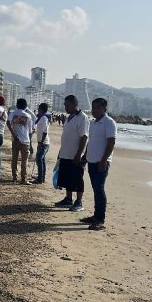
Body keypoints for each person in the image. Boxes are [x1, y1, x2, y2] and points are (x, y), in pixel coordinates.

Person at [79, 98, 117, 230]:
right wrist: (85, 156)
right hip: (91, 161)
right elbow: (91, 142)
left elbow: (111, 142)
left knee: (99, 189)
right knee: (96, 189)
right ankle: (96, 216)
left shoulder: (109, 123)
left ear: (104, 109)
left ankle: (100, 219)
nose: (94, 110)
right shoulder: (94, 123)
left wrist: (103, 160)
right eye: (93, 107)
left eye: (97, 108)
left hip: (102, 162)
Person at [54, 95, 89, 212]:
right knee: (67, 178)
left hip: (75, 156)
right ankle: (68, 199)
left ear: (74, 105)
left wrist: (79, 155)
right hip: (65, 154)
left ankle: (78, 202)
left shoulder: (82, 117)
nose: (65, 107)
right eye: (65, 105)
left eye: (67, 105)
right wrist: (60, 152)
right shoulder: (69, 118)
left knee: (78, 179)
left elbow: (84, 137)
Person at [6, 98, 33, 184]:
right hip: (25, 141)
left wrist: (13, 134)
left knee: (14, 159)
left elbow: (8, 122)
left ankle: (14, 177)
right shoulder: (28, 116)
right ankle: (23, 179)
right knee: (24, 161)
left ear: (17, 105)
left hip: (15, 140)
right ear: (26, 106)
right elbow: (30, 131)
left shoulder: (13, 113)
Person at [34, 103, 51, 184]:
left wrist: (41, 142)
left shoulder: (44, 118)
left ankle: (40, 178)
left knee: (39, 159)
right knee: (42, 160)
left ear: (40, 109)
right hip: (43, 142)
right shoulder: (42, 117)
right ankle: (41, 177)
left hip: (43, 143)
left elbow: (45, 131)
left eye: (38, 109)